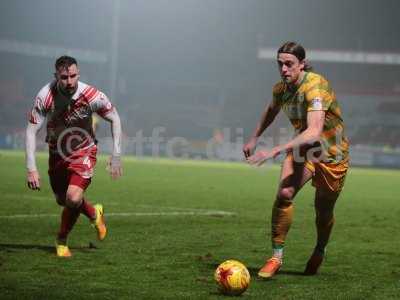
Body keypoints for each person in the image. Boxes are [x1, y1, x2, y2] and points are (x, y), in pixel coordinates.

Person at [243, 42, 349, 278]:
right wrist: (254, 137)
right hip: (304, 150)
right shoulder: (281, 89)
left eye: (289, 64)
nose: (284, 69)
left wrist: (274, 150)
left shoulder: (316, 85)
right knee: (284, 194)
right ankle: (276, 257)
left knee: (323, 212)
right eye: (280, 64)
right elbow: (271, 109)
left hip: (333, 156)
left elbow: (314, 130)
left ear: (302, 64)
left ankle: (320, 249)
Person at [25, 56, 123, 257]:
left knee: (72, 197)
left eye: (72, 76)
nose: (69, 81)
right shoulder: (45, 96)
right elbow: (30, 131)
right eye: (64, 77)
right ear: (56, 76)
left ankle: (61, 239)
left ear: (78, 74)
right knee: (64, 201)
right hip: (57, 154)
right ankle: (95, 214)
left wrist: (116, 155)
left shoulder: (91, 94)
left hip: (83, 151)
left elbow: (114, 118)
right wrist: (31, 168)